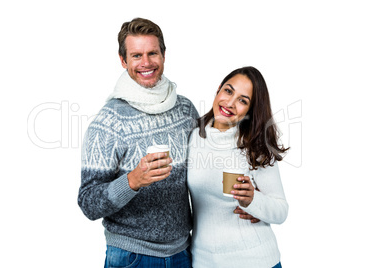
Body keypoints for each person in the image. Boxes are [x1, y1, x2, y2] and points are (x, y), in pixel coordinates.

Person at [77, 18, 199, 267]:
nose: (146, 63)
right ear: (123, 61)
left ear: (163, 55)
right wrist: (132, 181)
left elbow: (206, 167)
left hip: (183, 253)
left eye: (152, 53)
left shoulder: (185, 110)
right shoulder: (108, 121)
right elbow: (88, 202)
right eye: (136, 55)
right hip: (131, 256)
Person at [187, 66, 289, 268]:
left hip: (254, 260)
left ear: (250, 111)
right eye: (228, 91)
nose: (230, 103)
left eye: (243, 101)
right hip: (203, 261)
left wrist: (253, 200)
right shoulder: (193, 136)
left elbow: (281, 210)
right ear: (218, 90)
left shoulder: (254, 146)